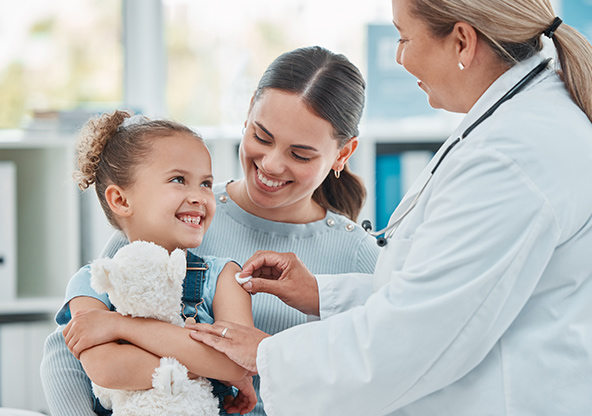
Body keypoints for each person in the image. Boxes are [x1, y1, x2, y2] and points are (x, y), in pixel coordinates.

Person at [189, 1, 592, 415]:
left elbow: (417, 336)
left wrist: (268, 355)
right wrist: (321, 295)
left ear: (462, 42)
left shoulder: (512, 157)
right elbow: (442, 292)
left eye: (403, 37)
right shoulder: (519, 127)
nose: (399, 56)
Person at [40, 46, 380, 416]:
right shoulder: (172, 218)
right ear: (249, 110)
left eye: (300, 155)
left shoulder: (358, 256)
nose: (270, 163)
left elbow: (379, 378)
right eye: (262, 137)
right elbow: (68, 349)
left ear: (343, 154)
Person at [42, 110, 255, 415]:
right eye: (179, 180)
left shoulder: (223, 277)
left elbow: (235, 362)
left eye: (206, 183)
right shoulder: (92, 283)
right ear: (121, 200)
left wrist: (119, 327)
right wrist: (205, 363)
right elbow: (107, 369)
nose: (199, 196)